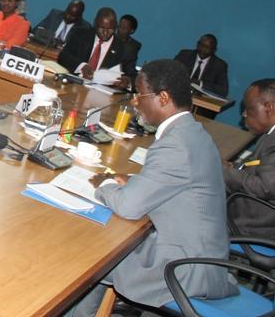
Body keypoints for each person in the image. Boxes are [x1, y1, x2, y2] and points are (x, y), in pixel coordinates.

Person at [72, 59, 237, 315]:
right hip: (202, 256)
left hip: (184, 269)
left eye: (140, 95)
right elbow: (174, 182)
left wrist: (104, 182)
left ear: (163, 98)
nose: (135, 101)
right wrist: (133, 181)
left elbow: (128, 206)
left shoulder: (175, 144)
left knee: (90, 255)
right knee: (103, 248)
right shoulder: (192, 132)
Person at [223, 79, 275, 239]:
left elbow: (264, 187)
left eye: (249, 107)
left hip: (252, 226)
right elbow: (253, 164)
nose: (244, 114)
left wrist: (226, 171)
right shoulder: (269, 135)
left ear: (268, 107)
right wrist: (232, 168)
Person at [58, 7, 135, 86]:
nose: (105, 32)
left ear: (116, 25)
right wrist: (82, 66)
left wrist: (127, 81)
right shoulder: (81, 34)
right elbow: (63, 56)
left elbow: (133, 76)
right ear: (95, 23)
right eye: (101, 28)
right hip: (74, 85)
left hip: (101, 91)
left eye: (110, 29)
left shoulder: (124, 49)